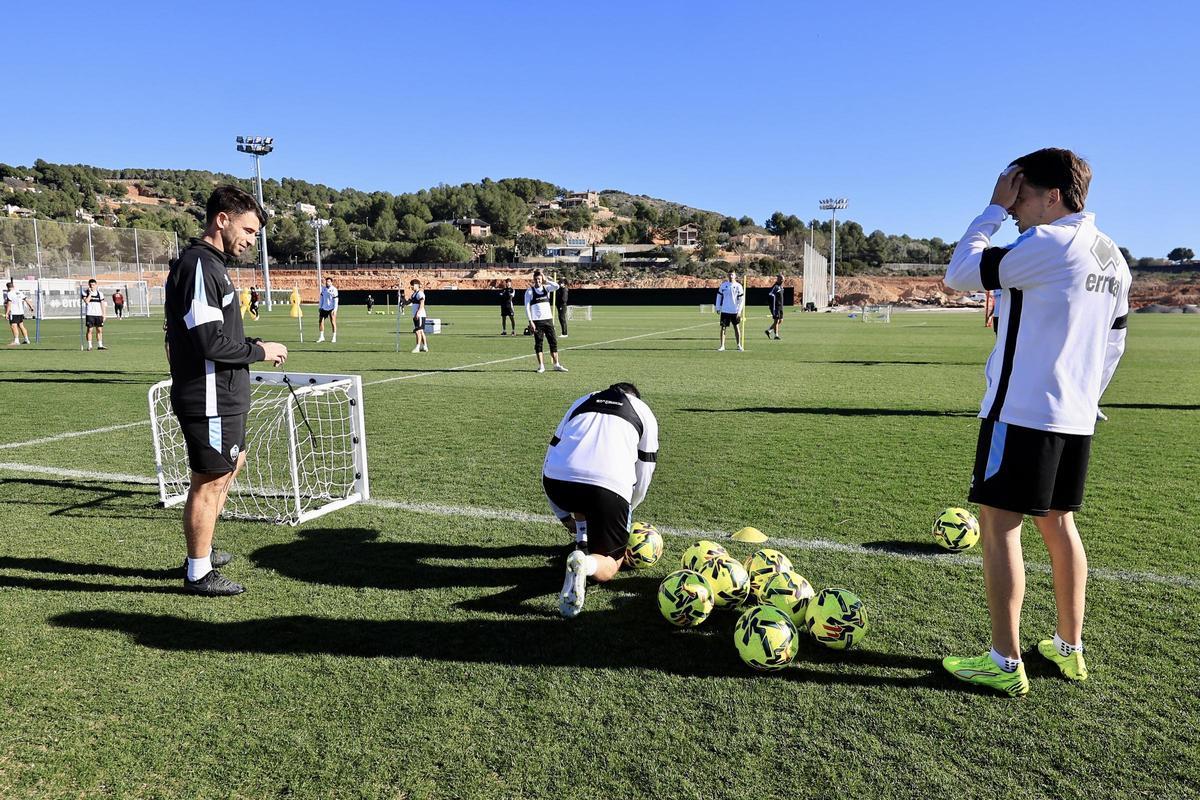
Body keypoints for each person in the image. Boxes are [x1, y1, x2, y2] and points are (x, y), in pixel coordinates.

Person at [941, 148, 1130, 696]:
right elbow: (1114, 343)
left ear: (1052, 196)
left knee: (999, 526)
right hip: (1075, 415)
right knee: (1060, 524)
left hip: (1023, 412)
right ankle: (1070, 648)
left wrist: (990, 210)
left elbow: (959, 274)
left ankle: (1004, 662)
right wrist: (1086, 397)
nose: (1014, 207)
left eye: (1020, 196)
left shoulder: (1048, 241)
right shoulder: (1111, 256)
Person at [164, 186, 288, 596]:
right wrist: (259, 351)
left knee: (231, 467)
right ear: (222, 220)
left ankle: (203, 550)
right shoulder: (199, 265)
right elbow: (207, 342)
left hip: (224, 393)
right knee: (210, 481)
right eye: (248, 230)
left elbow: (216, 333)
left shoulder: (211, 265)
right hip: (210, 396)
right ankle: (198, 572)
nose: (252, 241)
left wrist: (250, 342)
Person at [544, 382, 659, 618]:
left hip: (556, 481)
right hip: (608, 488)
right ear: (636, 398)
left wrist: (563, 516)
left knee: (581, 491)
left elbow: (552, 453)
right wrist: (627, 510)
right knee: (611, 563)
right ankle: (585, 564)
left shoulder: (583, 399)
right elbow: (645, 470)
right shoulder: (642, 410)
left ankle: (582, 540)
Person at [524, 270, 567, 373]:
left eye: (539, 279)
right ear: (533, 279)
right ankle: (541, 366)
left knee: (553, 342)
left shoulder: (546, 288)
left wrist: (546, 280)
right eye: (536, 279)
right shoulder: (529, 291)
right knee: (539, 343)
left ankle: (556, 364)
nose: (538, 281)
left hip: (548, 320)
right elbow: (527, 307)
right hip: (537, 321)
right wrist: (530, 321)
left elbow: (556, 286)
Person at [715, 269, 744, 351]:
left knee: (736, 327)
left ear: (735, 276)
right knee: (723, 328)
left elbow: (741, 300)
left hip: (734, 311)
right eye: (729, 274)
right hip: (725, 310)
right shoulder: (723, 285)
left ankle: (738, 345)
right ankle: (722, 346)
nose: (731, 276)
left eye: (732, 275)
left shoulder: (738, 286)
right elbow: (719, 296)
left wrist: (739, 311)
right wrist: (718, 307)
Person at [402, 278, 429, 353]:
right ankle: (425, 346)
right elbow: (407, 303)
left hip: (419, 315)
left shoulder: (420, 293)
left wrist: (418, 313)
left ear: (417, 285)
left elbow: (422, 304)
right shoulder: (413, 294)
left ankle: (417, 347)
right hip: (416, 315)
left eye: (412, 285)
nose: (411, 287)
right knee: (421, 331)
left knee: (418, 331)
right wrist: (401, 298)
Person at [5, 281, 34, 345]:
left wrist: (7, 313)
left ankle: (16, 341)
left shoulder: (9, 293)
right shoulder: (19, 292)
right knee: (21, 326)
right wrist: (31, 307)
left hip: (14, 312)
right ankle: (27, 340)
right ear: (13, 286)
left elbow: (9, 304)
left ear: (7, 287)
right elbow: (26, 300)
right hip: (20, 312)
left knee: (14, 326)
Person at [82, 279, 106, 350]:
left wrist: (104, 314)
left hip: (98, 314)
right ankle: (89, 345)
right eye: (90, 285)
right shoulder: (85, 292)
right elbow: (87, 301)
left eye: (93, 285)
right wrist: (90, 293)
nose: (92, 286)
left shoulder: (100, 294)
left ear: (96, 285)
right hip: (90, 314)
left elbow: (102, 304)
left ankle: (100, 345)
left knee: (99, 330)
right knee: (90, 330)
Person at [317, 276, 338, 343]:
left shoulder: (334, 289)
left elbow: (336, 300)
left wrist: (335, 309)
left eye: (328, 281)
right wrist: (320, 307)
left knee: (333, 322)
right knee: (320, 321)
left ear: (331, 282)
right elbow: (321, 298)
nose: (327, 283)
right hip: (323, 308)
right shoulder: (323, 289)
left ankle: (334, 337)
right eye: (326, 281)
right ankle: (321, 337)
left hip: (331, 308)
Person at [766, 273, 785, 340]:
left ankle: (769, 331)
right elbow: (770, 294)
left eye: (783, 279)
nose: (782, 280)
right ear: (778, 279)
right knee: (776, 320)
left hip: (780, 306)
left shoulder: (781, 287)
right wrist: (772, 305)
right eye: (781, 279)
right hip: (776, 307)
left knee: (781, 320)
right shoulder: (775, 287)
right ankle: (776, 335)